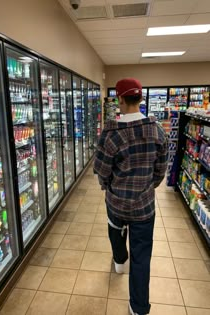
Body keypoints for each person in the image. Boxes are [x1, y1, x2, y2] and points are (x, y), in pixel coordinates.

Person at [93, 78, 168, 315]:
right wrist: (148, 187)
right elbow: (160, 170)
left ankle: (119, 261)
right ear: (141, 98)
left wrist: (109, 187)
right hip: (144, 206)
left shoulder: (111, 134)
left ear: (120, 99)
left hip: (116, 202)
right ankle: (139, 308)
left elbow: (101, 171)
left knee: (115, 230)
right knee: (142, 255)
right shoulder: (157, 130)